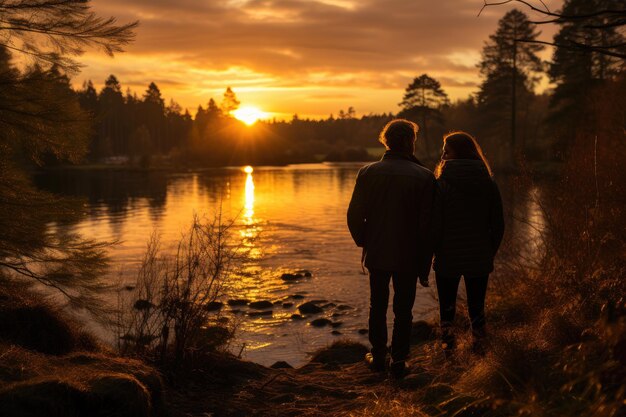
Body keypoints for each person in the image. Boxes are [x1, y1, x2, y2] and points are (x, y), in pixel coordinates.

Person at [347, 119, 436, 378]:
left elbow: (354, 215)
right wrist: (425, 259)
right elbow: (428, 224)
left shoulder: (367, 172)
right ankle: (398, 360)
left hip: (377, 251)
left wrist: (365, 240)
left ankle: (377, 355)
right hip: (409, 254)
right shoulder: (425, 177)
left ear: (386, 141)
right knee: (403, 309)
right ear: (411, 142)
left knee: (377, 304)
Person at [432, 131, 505, 355]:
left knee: (447, 309)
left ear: (458, 153)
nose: (443, 155)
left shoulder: (440, 185)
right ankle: (480, 350)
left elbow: (434, 223)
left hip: (447, 256)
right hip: (479, 256)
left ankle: (448, 351)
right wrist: (488, 252)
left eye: (447, 150)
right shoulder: (488, 183)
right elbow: (498, 224)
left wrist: (434, 252)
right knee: (477, 308)